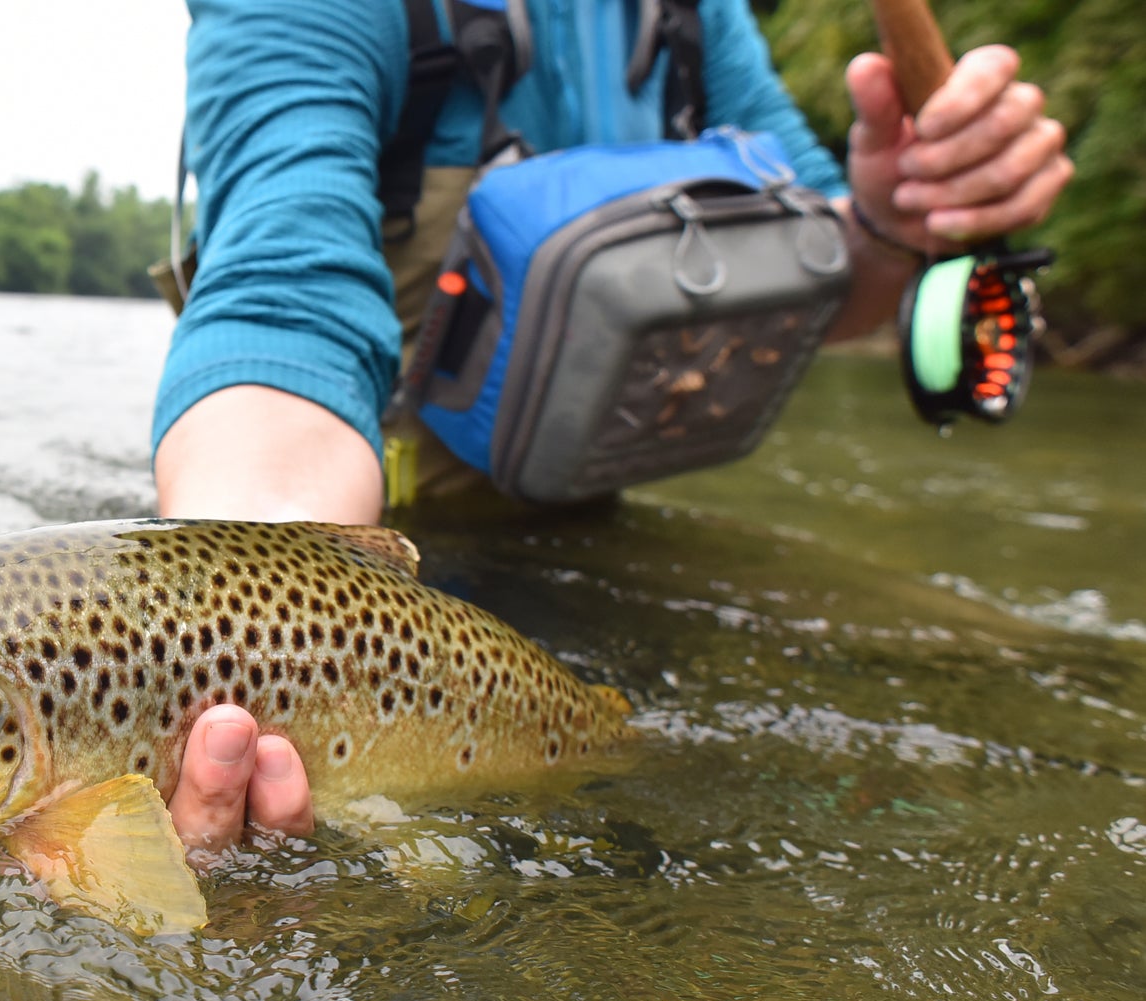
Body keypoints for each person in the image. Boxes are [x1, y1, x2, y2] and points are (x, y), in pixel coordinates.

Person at [151, 0, 1073, 856]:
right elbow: (285, 302)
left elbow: (829, 280)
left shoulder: (690, 12)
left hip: (586, 523)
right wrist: (248, 622)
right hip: (369, 536)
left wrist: (885, 220)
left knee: (1010, 672)